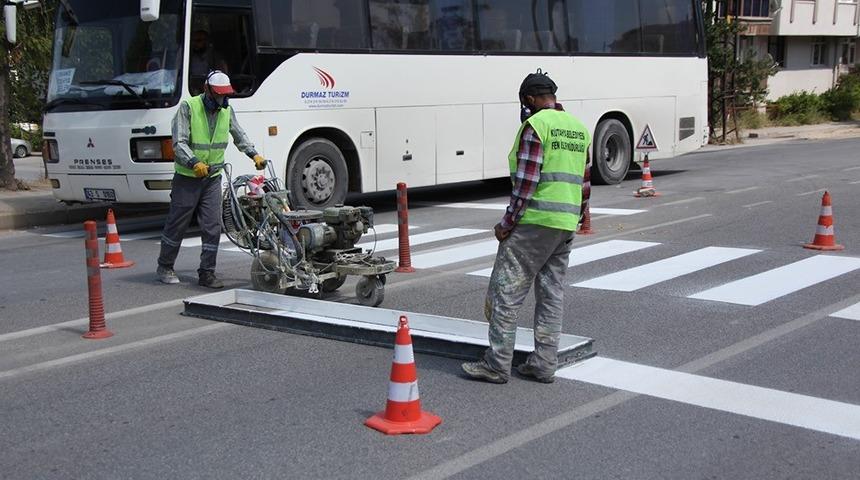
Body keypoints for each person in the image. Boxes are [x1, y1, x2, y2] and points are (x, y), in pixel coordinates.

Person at [461, 69, 591, 384]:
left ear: (530, 99)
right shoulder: (578, 128)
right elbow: (584, 181)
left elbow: (527, 183)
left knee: (506, 292)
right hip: (564, 224)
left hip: (534, 223)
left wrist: (507, 224)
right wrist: (581, 215)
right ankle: (544, 363)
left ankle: (496, 364)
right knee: (551, 294)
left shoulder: (535, 126)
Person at [156, 71, 267, 288]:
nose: (222, 100)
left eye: (225, 95)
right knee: (177, 224)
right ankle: (165, 266)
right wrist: (193, 162)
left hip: (212, 178)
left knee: (212, 227)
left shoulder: (226, 111)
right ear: (207, 89)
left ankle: (207, 272)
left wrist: (254, 154)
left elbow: (239, 135)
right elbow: (179, 143)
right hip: (188, 178)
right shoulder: (188, 108)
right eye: (218, 95)